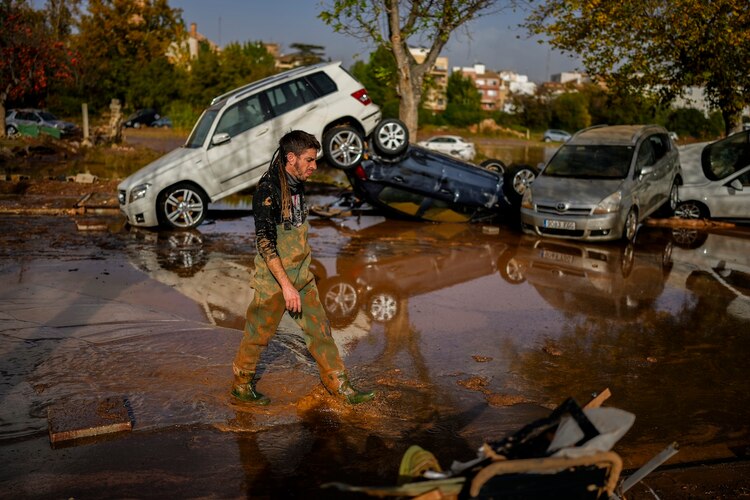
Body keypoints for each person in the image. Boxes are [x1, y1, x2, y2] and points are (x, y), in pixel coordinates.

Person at [231, 130, 375, 405]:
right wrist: (286, 287)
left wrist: (301, 279)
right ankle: (241, 385)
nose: (314, 166)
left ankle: (339, 385)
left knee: (320, 331)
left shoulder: (297, 184)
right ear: (291, 158)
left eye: (315, 160)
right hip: (274, 280)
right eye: (309, 160)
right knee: (257, 336)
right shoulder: (267, 190)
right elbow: (265, 243)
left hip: (302, 276)